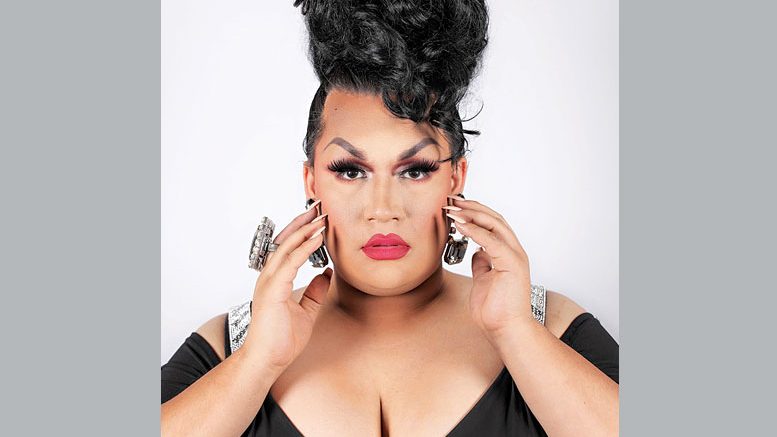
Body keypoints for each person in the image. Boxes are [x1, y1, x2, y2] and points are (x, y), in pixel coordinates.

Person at [161, 1, 619, 436]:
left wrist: (516, 333)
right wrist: (257, 363)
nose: (383, 208)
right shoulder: (230, 347)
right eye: (350, 171)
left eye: (415, 170)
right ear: (311, 182)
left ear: (456, 177)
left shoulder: (548, 327)